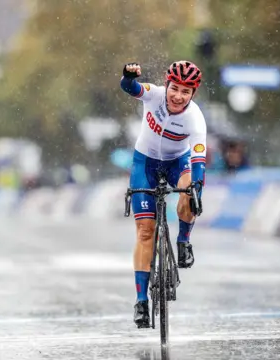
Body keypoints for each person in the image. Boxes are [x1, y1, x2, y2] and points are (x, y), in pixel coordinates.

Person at [120, 61, 206, 328]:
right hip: (144, 163)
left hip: (176, 163)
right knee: (146, 231)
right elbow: (130, 88)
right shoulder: (154, 95)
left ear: (193, 94)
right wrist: (128, 76)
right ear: (167, 85)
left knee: (190, 189)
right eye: (175, 88)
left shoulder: (195, 119)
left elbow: (199, 159)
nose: (178, 96)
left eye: (186, 92)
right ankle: (141, 302)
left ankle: (183, 241)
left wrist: (197, 189)